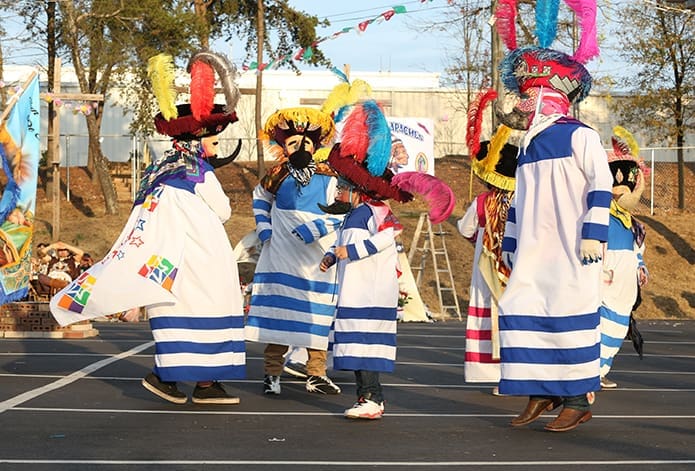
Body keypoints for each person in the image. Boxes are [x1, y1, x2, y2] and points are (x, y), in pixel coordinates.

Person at [50, 51, 246, 405]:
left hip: (179, 262)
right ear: (198, 140)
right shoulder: (198, 173)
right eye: (213, 141)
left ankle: (201, 383)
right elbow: (224, 210)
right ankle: (172, 377)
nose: (216, 147)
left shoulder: (160, 172)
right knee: (209, 310)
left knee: (188, 313)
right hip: (197, 264)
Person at [496, 46, 613, 432]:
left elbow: (602, 184)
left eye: (529, 96)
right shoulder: (527, 145)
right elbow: (519, 198)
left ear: (549, 97)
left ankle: (577, 400)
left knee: (567, 314)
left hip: (572, 248)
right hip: (534, 248)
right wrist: (509, 243)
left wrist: (594, 234)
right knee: (524, 308)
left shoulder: (581, 136)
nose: (522, 103)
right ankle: (541, 390)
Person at [321, 99, 454, 420]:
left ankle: (373, 399)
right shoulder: (354, 215)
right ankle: (366, 396)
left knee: (364, 349)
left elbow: (389, 234)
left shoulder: (376, 211)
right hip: (354, 293)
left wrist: (349, 252)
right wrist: (331, 254)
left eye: (341, 186)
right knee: (354, 350)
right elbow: (342, 242)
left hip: (370, 293)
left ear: (357, 189)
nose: (337, 192)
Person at [244, 107, 343, 396]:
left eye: (307, 143)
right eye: (293, 143)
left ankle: (316, 373)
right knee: (280, 314)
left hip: (316, 257)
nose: (300, 147)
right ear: (283, 147)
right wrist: (264, 229)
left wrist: (316, 229)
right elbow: (260, 197)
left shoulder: (329, 176)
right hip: (282, 254)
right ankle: (272, 374)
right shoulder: (276, 174)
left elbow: (341, 211)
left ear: (316, 146)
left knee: (315, 314)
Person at [457, 123, 518, 392]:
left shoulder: (483, 202)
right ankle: (519, 372)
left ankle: (494, 373)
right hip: (518, 266)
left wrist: (481, 241)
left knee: (488, 313)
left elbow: (465, 228)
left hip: (487, 267)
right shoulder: (523, 200)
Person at [599, 126, 649, 389]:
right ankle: (590, 370)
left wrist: (641, 267)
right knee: (601, 325)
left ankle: (602, 368)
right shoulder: (600, 214)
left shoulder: (633, 224)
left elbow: (637, 252)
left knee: (618, 329)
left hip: (625, 286)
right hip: (604, 279)